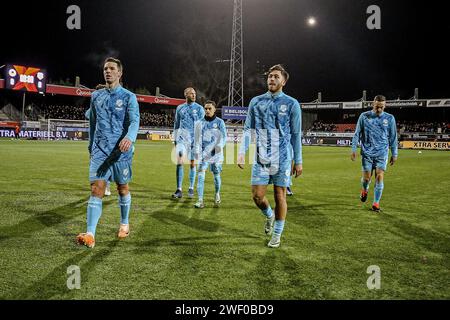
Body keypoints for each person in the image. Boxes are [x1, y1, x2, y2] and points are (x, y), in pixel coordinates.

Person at [76, 57, 140, 248]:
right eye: (105, 69)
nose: (108, 71)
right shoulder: (96, 96)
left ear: (120, 73)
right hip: (100, 151)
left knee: (122, 188)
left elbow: (135, 121)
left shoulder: (129, 97)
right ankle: (90, 235)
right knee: (97, 189)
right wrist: (90, 145)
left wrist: (129, 137)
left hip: (121, 152)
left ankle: (124, 223)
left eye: (112, 68)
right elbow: (92, 123)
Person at [238, 64, 303, 248]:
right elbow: (248, 129)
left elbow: (296, 134)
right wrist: (242, 152)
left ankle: (277, 235)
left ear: (283, 81)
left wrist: (298, 160)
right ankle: (269, 215)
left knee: (279, 195)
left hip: (282, 157)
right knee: (257, 196)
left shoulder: (291, 104)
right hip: (261, 157)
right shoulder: (256, 101)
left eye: (275, 76)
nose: (271, 79)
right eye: (269, 76)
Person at [351, 95, 398, 212]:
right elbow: (357, 134)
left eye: (382, 107)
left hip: (382, 153)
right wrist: (353, 149)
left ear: (385, 105)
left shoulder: (390, 118)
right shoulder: (364, 116)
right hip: (367, 153)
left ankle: (376, 203)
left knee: (379, 176)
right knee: (366, 178)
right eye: (377, 106)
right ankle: (364, 189)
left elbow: (393, 137)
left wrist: (394, 153)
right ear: (373, 104)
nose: (379, 109)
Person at [172, 87, 205, 199]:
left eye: (194, 93)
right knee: (180, 160)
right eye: (191, 94)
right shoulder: (180, 108)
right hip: (182, 138)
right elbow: (176, 124)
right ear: (185, 95)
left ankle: (191, 188)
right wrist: (175, 139)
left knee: (192, 163)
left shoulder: (200, 109)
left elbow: (203, 126)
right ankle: (179, 189)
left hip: (195, 139)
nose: (194, 95)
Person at [193, 100, 227, 208]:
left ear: (214, 109)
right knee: (200, 175)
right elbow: (197, 140)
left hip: (216, 154)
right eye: (205, 108)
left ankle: (217, 194)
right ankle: (200, 200)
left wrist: (217, 147)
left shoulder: (220, 122)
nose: (207, 110)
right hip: (204, 154)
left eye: (209, 108)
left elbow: (224, 137)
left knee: (216, 175)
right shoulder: (199, 123)